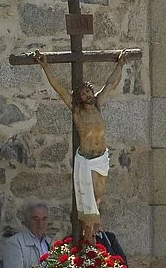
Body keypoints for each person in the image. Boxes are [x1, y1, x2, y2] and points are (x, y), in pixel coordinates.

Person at [34, 49, 126, 237]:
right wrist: (45, 66)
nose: (86, 94)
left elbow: (110, 84)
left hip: (101, 159)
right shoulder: (77, 111)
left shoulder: (98, 105)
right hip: (86, 159)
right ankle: (88, 238)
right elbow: (59, 88)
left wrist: (121, 64)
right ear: (79, 98)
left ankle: (89, 238)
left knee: (98, 198)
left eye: (88, 91)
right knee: (89, 200)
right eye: (82, 93)